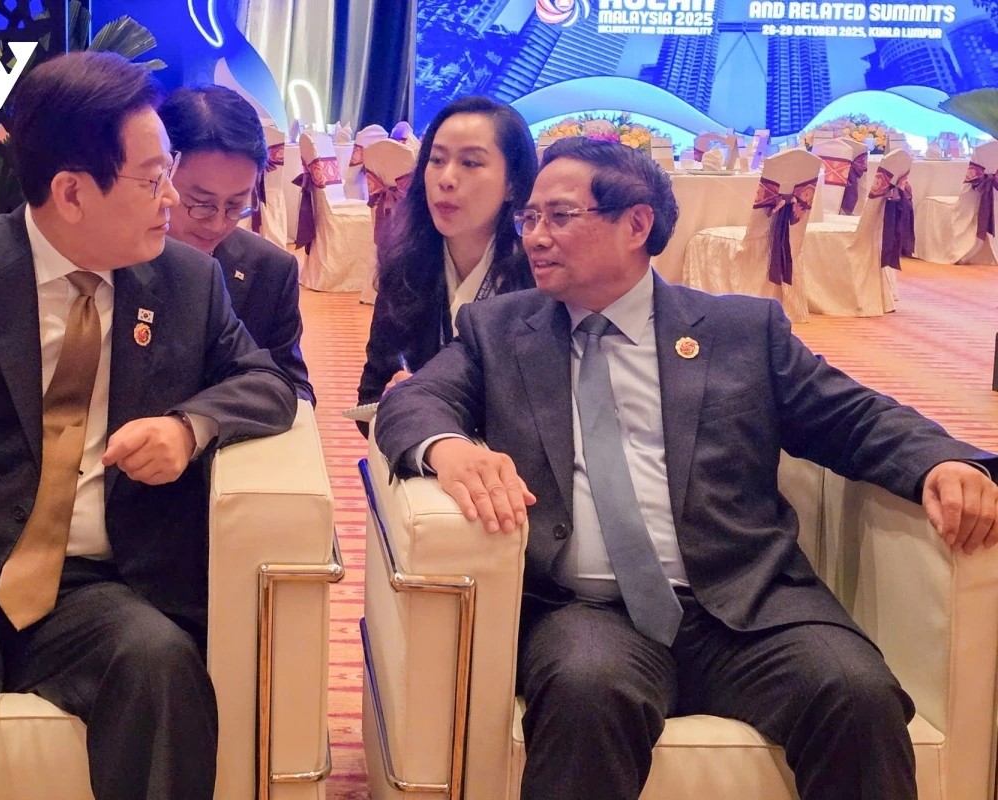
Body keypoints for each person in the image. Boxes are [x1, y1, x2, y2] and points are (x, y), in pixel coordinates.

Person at [373, 137, 998, 800]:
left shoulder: (742, 330)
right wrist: (451, 447)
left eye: (560, 216)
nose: (536, 236)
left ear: (636, 224)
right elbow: (412, 401)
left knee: (855, 692)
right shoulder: (499, 330)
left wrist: (941, 461)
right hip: (587, 611)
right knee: (586, 692)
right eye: (529, 218)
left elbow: (854, 418)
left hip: (748, 605)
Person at [0, 51, 297, 800]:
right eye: (152, 180)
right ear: (71, 192)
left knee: (160, 663)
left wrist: (189, 428)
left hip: (98, 585)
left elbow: (269, 383)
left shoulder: (187, 283)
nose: (171, 199)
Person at [356, 96, 537, 423]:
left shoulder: (537, 277)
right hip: (421, 447)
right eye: (437, 160)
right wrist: (395, 401)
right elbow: (369, 397)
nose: (446, 179)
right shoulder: (407, 267)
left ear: (513, 184)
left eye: (471, 163)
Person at [158, 84, 315, 404]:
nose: (218, 224)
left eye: (236, 205)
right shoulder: (117, 256)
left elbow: (294, 387)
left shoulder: (271, 270)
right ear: (160, 176)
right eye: (201, 203)